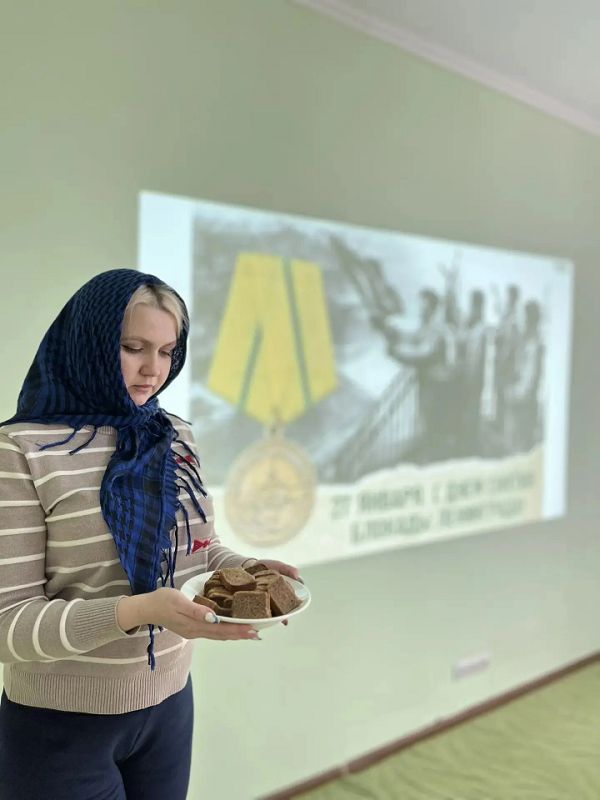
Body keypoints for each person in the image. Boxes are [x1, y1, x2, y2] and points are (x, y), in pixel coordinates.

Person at [0, 269, 300, 800]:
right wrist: (136, 611)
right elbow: (9, 626)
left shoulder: (173, 433)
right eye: (132, 348)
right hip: (57, 728)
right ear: (88, 344)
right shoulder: (21, 450)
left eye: (166, 351)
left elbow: (198, 550)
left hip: (170, 704)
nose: (152, 370)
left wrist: (245, 571)